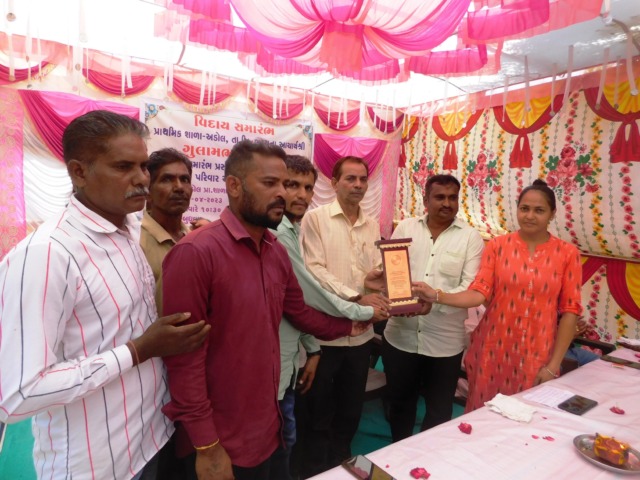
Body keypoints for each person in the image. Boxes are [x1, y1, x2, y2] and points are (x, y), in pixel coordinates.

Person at [0, 110, 210, 480]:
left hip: (151, 439)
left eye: (143, 166)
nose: (142, 179)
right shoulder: (47, 254)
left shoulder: (127, 229)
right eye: (123, 167)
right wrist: (139, 350)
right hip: (97, 464)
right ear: (79, 172)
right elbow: (20, 394)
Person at [160, 140, 373, 480]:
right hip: (220, 439)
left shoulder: (275, 249)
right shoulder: (196, 253)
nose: (283, 194)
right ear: (234, 186)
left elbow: (299, 311)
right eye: (270, 183)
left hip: (268, 425)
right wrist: (206, 445)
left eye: (285, 184)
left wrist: (348, 327)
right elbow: (184, 362)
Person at [413, 179, 582, 412]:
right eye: (524, 208)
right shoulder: (498, 246)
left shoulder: (568, 254)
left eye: (539, 210)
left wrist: (553, 366)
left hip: (537, 353)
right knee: (483, 414)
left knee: (527, 416)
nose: (530, 216)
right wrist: (436, 295)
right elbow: (478, 293)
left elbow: (571, 311)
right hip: (492, 349)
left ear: (552, 213)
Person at [272, 155, 390, 480]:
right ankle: (316, 472)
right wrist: (356, 298)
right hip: (325, 336)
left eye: (363, 179)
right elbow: (314, 273)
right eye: (350, 178)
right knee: (317, 414)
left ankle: (343, 469)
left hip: (361, 335)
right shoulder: (314, 220)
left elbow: (368, 274)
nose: (358, 185)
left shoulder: (372, 224)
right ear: (334, 183)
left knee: (350, 411)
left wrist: (377, 281)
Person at [382, 174, 484, 441]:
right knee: (399, 405)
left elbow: (470, 288)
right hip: (400, 336)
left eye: (453, 198)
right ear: (426, 200)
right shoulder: (406, 228)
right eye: (440, 197)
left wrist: (435, 299)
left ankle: (426, 457)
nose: (447, 203)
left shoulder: (470, 237)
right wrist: (395, 294)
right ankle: (400, 453)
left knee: (439, 412)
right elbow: (393, 272)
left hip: (444, 344)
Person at [140, 147, 193, 316]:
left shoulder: (195, 239)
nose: (179, 187)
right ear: (148, 192)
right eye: (167, 179)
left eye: (185, 179)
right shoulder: (135, 240)